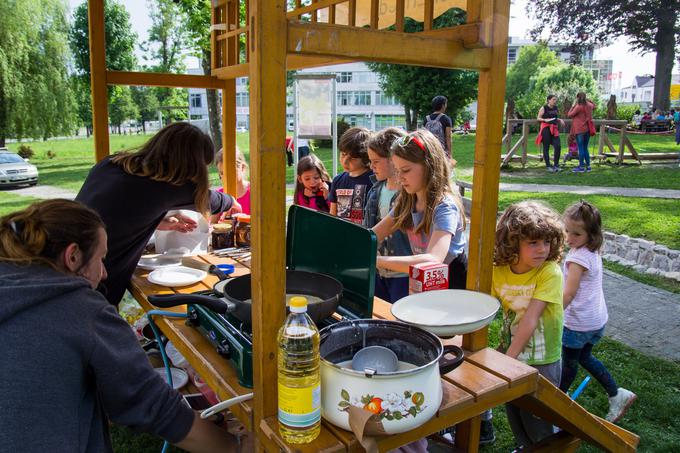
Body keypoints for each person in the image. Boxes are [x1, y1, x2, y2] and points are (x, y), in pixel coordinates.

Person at [0, 199, 237, 452]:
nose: (103, 273)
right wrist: (234, 447)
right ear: (72, 256)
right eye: (101, 258)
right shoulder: (81, 309)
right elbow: (150, 404)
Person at [76, 122, 240, 305]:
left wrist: (156, 220)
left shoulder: (108, 164)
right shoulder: (164, 187)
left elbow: (114, 210)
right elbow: (211, 200)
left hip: (61, 263)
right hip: (94, 281)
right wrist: (232, 201)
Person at [492, 201, 565, 448]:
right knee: (515, 412)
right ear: (513, 242)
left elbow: (531, 319)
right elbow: (483, 307)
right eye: (533, 242)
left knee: (540, 422)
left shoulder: (549, 272)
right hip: (511, 353)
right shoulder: (498, 271)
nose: (542, 249)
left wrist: (506, 361)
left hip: (541, 360)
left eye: (546, 241)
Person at [560, 201, 637, 422]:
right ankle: (617, 394)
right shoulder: (591, 250)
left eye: (576, 234)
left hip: (578, 323)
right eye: (567, 231)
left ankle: (557, 398)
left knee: (569, 363)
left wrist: (554, 313)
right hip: (596, 320)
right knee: (585, 356)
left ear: (591, 234)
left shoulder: (577, 258)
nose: (569, 238)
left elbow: (569, 293)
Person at [371, 129, 467, 290]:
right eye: (397, 170)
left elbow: (432, 260)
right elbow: (371, 236)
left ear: (429, 166)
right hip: (423, 281)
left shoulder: (445, 207)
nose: (399, 177)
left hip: (451, 286)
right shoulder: (407, 202)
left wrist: (374, 260)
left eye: (406, 170)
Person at [363, 127, 412, 303]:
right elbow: (367, 227)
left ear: (394, 159)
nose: (371, 166)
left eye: (376, 161)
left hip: (403, 274)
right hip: (377, 271)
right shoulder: (375, 190)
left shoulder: (410, 193)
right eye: (370, 161)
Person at [328, 127, 373, 224]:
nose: (345, 161)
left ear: (366, 157)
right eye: (343, 154)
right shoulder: (337, 180)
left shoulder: (374, 179)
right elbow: (332, 214)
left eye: (352, 158)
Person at [215, 147, 251, 215]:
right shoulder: (219, 196)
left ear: (242, 167)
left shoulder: (254, 193)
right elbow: (211, 223)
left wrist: (243, 219)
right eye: (222, 173)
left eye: (230, 172)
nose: (225, 177)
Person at [567, 92, 596, 173]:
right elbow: (595, 106)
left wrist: (572, 106)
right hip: (588, 129)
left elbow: (569, 115)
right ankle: (588, 166)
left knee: (580, 148)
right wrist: (589, 100)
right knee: (585, 148)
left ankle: (581, 167)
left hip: (579, 130)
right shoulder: (590, 105)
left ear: (578, 98)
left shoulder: (578, 107)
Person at [535, 94, 565, 173]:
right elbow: (538, 118)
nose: (555, 101)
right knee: (546, 147)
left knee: (558, 146)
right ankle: (548, 166)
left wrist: (559, 119)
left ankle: (556, 165)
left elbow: (554, 117)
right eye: (553, 99)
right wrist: (545, 120)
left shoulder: (555, 108)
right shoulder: (544, 108)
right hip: (545, 128)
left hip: (554, 128)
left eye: (555, 100)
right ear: (549, 100)